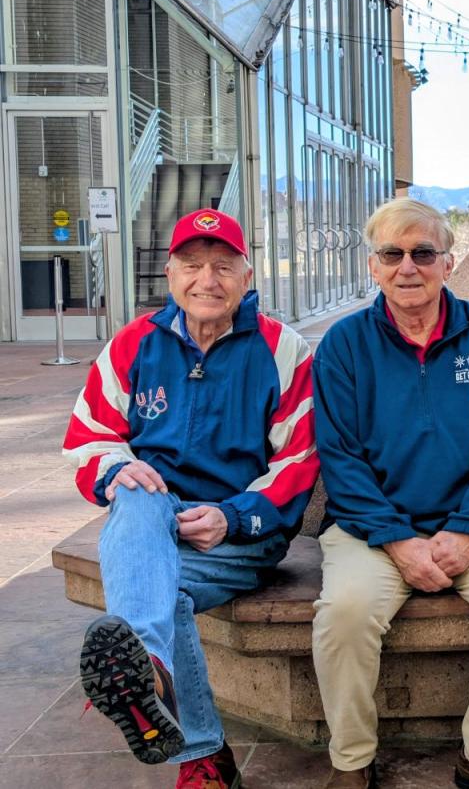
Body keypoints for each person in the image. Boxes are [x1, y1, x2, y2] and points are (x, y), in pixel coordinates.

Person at [65, 208, 318, 789]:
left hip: (239, 535)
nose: (209, 279)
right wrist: (117, 471)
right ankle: (156, 680)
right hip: (151, 518)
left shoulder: (284, 351)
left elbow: (298, 462)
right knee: (135, 492)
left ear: (247, 277)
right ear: (170, 274)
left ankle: (192, 738)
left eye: (224, 266)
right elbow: (89, 439)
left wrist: (231, 518)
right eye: (194, 265)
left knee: (161, 592)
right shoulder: (133, 343)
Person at [310, 198, 469, 789]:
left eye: (423, 253)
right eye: (393, 253)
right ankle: (352, 764)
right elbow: (340, 456)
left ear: (449, 261)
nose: (407, 266)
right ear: (373, 265)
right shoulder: (342, 345)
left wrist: (468, 530)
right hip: (373, 530)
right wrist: (397, 541)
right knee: (345, 612)